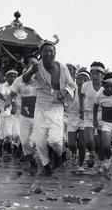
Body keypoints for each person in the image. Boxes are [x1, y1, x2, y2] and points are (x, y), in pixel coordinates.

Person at [22, 41, 76, 176]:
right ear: (41, 53)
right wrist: (31, 71)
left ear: (55, 53)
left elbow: (72, 85)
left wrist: (64, 92)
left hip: (56, 107)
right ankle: (46, 165)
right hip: (40, 107)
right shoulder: (36, 67)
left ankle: (61, 154)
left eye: (51, 51)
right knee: (39, 141)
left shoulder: (62, 68)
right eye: (46, 51)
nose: (49, 54)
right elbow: (24, 80)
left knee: (55, 141)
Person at [5, 55, 39, 174]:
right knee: (24, 142)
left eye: (37, 63)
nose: (36, 65)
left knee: (34, 141)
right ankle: (33, 162)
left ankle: (43, 164)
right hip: (24, 115)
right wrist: (8, 101)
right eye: (32, 63)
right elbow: (12, 94)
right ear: (26, 65)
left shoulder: (42, 78)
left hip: (39, 115)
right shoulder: (19, 80)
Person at [79, 62, 105, 170]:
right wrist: (81, 106)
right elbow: (81, 95)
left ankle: (100, 164)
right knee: (89, 141)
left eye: (97, 73)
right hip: (89, 114)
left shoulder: (105, 86)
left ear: (102, 75)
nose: (94, 75)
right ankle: (91, 153)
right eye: (92, 73)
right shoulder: (86, 85)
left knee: (100, 143)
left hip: (102, 115)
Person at [66, 68, 90, 171]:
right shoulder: (72, 89)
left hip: (84, 119)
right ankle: (74, 153)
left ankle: (80, 165)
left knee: (81, 144)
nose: (82, 81)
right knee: (71, 143)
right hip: (71, 118)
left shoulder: (90, 92)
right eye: (80, 79)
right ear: (76, 80)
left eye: (85, 79)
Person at [0, 70, 19, 156]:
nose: (13, 78)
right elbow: (4, 96)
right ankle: (3, 149)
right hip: (6, 112)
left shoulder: (18, 86)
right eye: (11, 76)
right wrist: (12, 103)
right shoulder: (2, 86)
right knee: (6, 133)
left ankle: (14, 152)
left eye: (15, 76)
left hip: (17, 113)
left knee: (16, 134)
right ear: (7, 77)